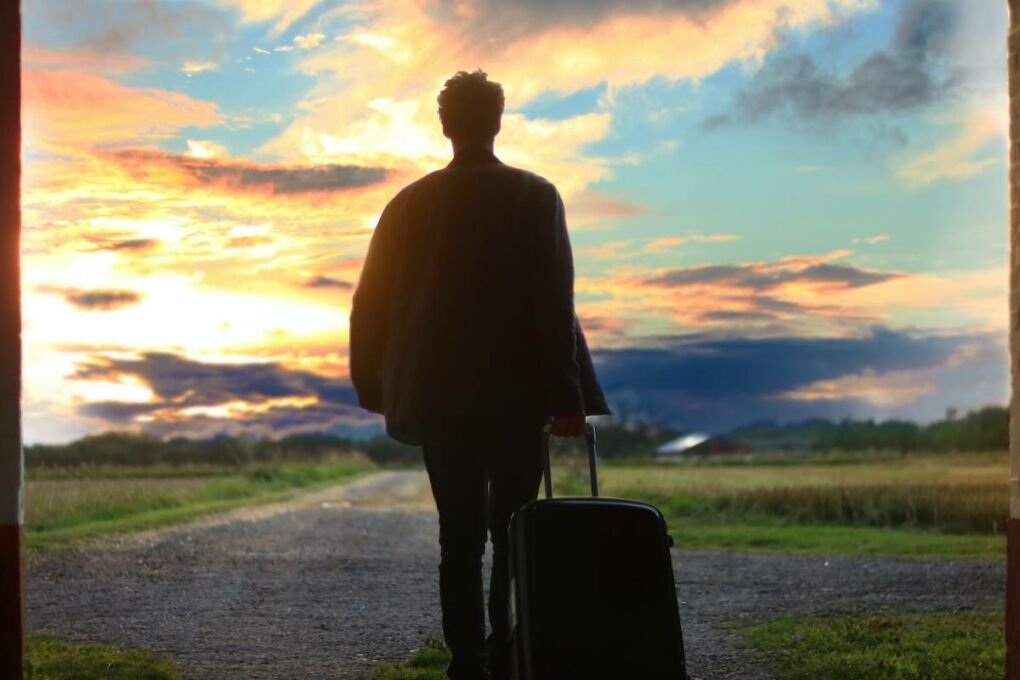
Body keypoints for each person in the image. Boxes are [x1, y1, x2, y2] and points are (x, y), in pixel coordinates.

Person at [348, 69, 611, 680]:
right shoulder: (535, 194)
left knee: (457, 536)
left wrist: (376, 387)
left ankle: (466, 665)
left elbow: (370, 301)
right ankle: (509, 653)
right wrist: (566, 395)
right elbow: (555, 303)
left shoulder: (407, 203)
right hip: (517, 396)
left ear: (446, 126)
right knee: (515, 531)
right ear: (498, 121)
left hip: (438, 398)